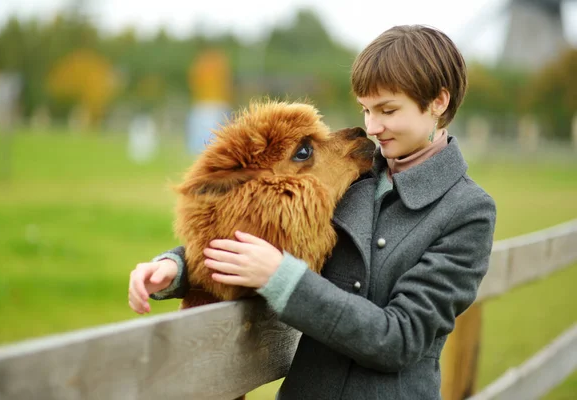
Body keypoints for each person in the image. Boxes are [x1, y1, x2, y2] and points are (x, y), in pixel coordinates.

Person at [128, 25, 496, 399]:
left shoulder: (466, 212)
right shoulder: (353, 177)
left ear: (438, 102)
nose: (372, 126)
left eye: (388, 110)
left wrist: (281, 278)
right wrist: (178, 267)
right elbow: (266, 230)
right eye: (366, 109)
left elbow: (400, 338)